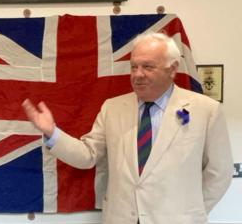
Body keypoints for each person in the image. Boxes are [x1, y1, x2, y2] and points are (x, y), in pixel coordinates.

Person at [22, 32, 233, 224]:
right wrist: (52, 132)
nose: (138, 74)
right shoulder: (112, 108)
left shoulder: (206, 110)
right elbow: (88, 155)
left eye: (148, 67)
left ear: (173, 69)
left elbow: (219, 172)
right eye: (134, 67)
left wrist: (191, 214)